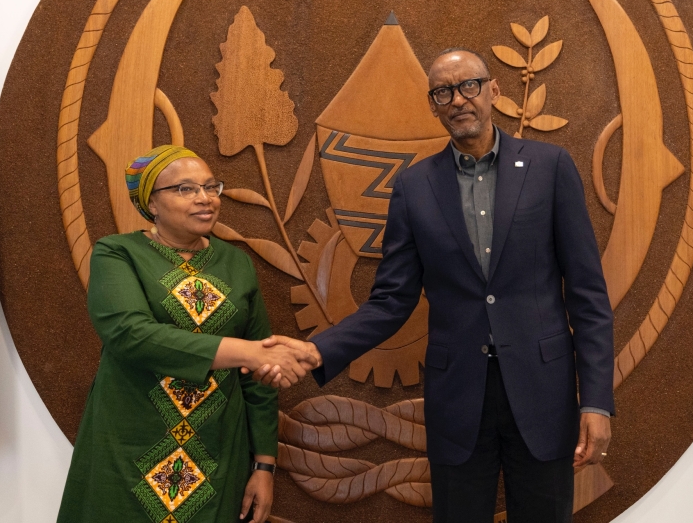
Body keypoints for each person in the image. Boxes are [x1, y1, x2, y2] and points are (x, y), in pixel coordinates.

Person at [255, 50, 615, 523]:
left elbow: (588, 298)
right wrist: (316, 350)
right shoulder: (414, 187)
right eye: (443, 92)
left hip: (544, 393)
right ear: (433, 106)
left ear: (494, 91)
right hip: (458, 399)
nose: (458, 100)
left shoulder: (550, 167)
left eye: (469, 85)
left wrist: (596, 402)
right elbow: (391, 301)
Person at [57, 145, 315, 523]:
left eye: (211, 187)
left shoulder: (237, 263)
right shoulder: (118, 253)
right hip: (129, 446)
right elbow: (131, 334)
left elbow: (259, 376)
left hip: (215, 452)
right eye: (185, 189)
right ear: (152, 203)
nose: (205, 198)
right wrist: (247, 352)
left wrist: (264, 466)